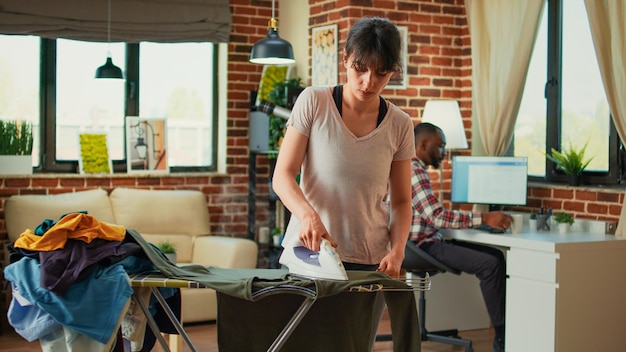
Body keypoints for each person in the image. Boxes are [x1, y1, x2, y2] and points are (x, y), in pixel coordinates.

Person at [272, 16, 415, 278]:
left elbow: (402, 202)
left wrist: (397, 251)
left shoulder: (400, 124)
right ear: (346, 59)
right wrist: (308, 216)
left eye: (381, 72)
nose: (368, 81)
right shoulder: (314, 101)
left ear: (392, 70)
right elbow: (282, 176)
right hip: (312, 253)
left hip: (370, 259)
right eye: (360, 68)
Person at [410, 122, 512, 352]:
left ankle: (503, 331)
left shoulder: (410, 167)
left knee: (495, 255)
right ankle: (503, 338)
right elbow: (436, 217)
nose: (444, 154)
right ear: (424, 144)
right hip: (422, 246)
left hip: (423, 242)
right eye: (441, 147)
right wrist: (484, 218)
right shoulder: (413, 170)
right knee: (491, 264)